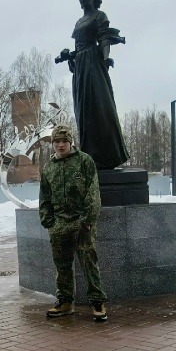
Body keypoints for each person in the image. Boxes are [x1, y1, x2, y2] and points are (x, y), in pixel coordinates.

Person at [58, 0, 130, 170]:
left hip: (94, 66)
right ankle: (90, 158)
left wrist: (106, 58)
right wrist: (69, 56)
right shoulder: (78, 22)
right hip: (81, 70)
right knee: (84, 113)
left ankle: (108, 156)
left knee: (99, 109)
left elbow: (104, 38)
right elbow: (78, 48)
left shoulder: (100, 16)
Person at [39, 125, 107, 322]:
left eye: (64, 141)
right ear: (52, 144)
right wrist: (48, 220)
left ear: (70, 142)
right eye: (57, 142)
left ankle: (97, 302)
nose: (61, 145)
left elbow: (93, 193)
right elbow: (45, 196)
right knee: (62, 266)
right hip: (59, 224)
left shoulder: (84, 161)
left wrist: (87, 221)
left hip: (81, 222)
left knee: (88, 263)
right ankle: (65, 302)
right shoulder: (49, 167)